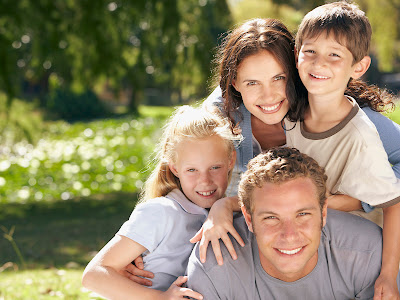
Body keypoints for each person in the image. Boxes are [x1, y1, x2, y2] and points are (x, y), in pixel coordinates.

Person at [190, 16, 400, 266]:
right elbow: (177, 170)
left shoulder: (333, 112)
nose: (268, 96)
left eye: (279, 78)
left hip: (339, 239)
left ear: (298, 70)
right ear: (235, 83)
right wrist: (149, 241)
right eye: (252, 82)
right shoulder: (220, 113)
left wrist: (353, 201)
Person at [284, 2, 400, 298]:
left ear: (358, 67)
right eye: (310, 51)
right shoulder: (290, 116)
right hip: (312, 242)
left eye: (334, 55)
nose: (318, 63)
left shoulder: (359, 135)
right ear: (296, 55)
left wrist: (388, 275)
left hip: (355, 254)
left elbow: (394, 203)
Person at [186, 147, 400, 299]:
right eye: (271, 218)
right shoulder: (214, 267)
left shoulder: (367, 253)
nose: (289, 235)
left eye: (303, 214)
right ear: (249, 219)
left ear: (323, 213)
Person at [81, 105, 240, 299]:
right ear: (174, 167)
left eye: (215, 167)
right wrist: (160, 298)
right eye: (192, 170)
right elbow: (93, 275)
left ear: (231, 159)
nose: (205, 181)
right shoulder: (161, 212)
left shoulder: (222, 213)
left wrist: (228, 204)